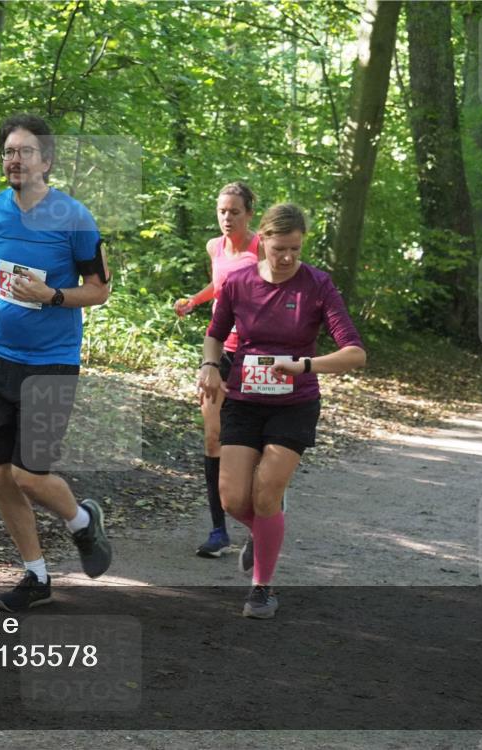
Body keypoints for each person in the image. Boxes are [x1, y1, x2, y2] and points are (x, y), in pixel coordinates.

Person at [0, 113, 112, 612]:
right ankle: (35, 575)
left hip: (52, 363)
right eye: (9, 152)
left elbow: (100, 290)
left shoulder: (74, 217)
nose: (15, 160)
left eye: (25, 152)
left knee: (30, 475)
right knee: (0, 474)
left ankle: (81, 520)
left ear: (47, 161)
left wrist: (53, 295)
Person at [198, 203, 365, 619]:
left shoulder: (318, 285)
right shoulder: (238, 282)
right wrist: (208, 368)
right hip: (245, 401)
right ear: (264, 242)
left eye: (295, 249)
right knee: (234, 498)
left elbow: (355, 353)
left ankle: (261, 589)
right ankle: (266, 527)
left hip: (294, 403)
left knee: (267, 490)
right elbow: (215, 336)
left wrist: (305, 364)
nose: (287, 257)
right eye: (279, 249)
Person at [174, 182, 260, 558]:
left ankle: (262, 518)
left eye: (235, 212)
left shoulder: (262, 248)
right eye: (222, 211)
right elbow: (220, 284)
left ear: (249, 214)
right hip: (220, 350)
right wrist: (195, 300)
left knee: (251, 442)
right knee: (213, 438)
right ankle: (218, 531)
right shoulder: (214, 246)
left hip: (257, 355)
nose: (227, 218)